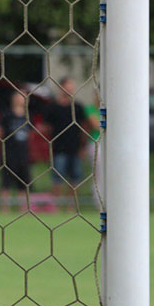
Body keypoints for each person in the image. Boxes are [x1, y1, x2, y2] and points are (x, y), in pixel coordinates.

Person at [42, 78, 96, 211]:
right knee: (57, 179)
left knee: (74, 180)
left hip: (75, 148)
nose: (70, 89)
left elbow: (85, 127)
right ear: (61, 88)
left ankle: (71, 207)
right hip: (58, 148)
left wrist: (83, 146)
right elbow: (46, 127)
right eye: (68, 86)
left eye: (72, 87)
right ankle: (55, 206)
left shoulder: (77, 107)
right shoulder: (53, 107)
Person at [0, 91, 31, 212]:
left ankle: (22, 208)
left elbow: (30, 134)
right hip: (8, 154)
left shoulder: (27, 116)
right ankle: (4, 208)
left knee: (23, 183)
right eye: (18, 96)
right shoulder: (7, 115)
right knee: (6, 183)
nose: (21, 99)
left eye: (23, 97)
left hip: (23, 155)